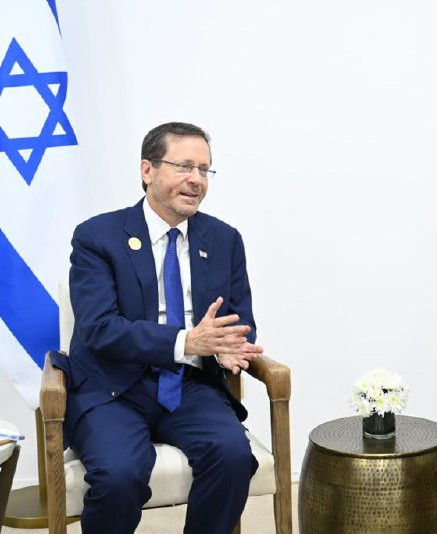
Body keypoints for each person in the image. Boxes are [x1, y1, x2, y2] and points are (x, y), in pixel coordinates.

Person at [55, 122, 263, 534]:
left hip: (188, 385)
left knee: (234, 456)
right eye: (184, 166)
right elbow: (99, 328)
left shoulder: (224, 239)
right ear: (147, 170)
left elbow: (238, 322)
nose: (196, 180)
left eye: (205, 170)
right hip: (112, 388)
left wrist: (229, 347)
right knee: (119, 475)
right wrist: (188, 340)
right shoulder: (98, 236)